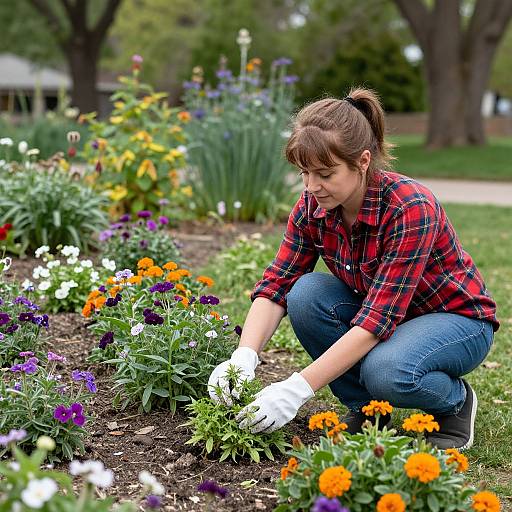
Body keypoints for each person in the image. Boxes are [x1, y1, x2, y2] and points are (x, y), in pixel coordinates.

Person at [207, 88, 499, 450]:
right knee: (306, 294)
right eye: (304, 173)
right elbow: (277, 284)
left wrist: (297, 389)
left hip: (455, 321)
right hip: (388, 316)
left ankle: (454, 402)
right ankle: (368, 409)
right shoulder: (313, 206)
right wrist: (243, 357)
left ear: (362, 161)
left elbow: (376, 320)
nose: (313, 186)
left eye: (326, 174)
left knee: (386, 371)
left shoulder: (409, 207)